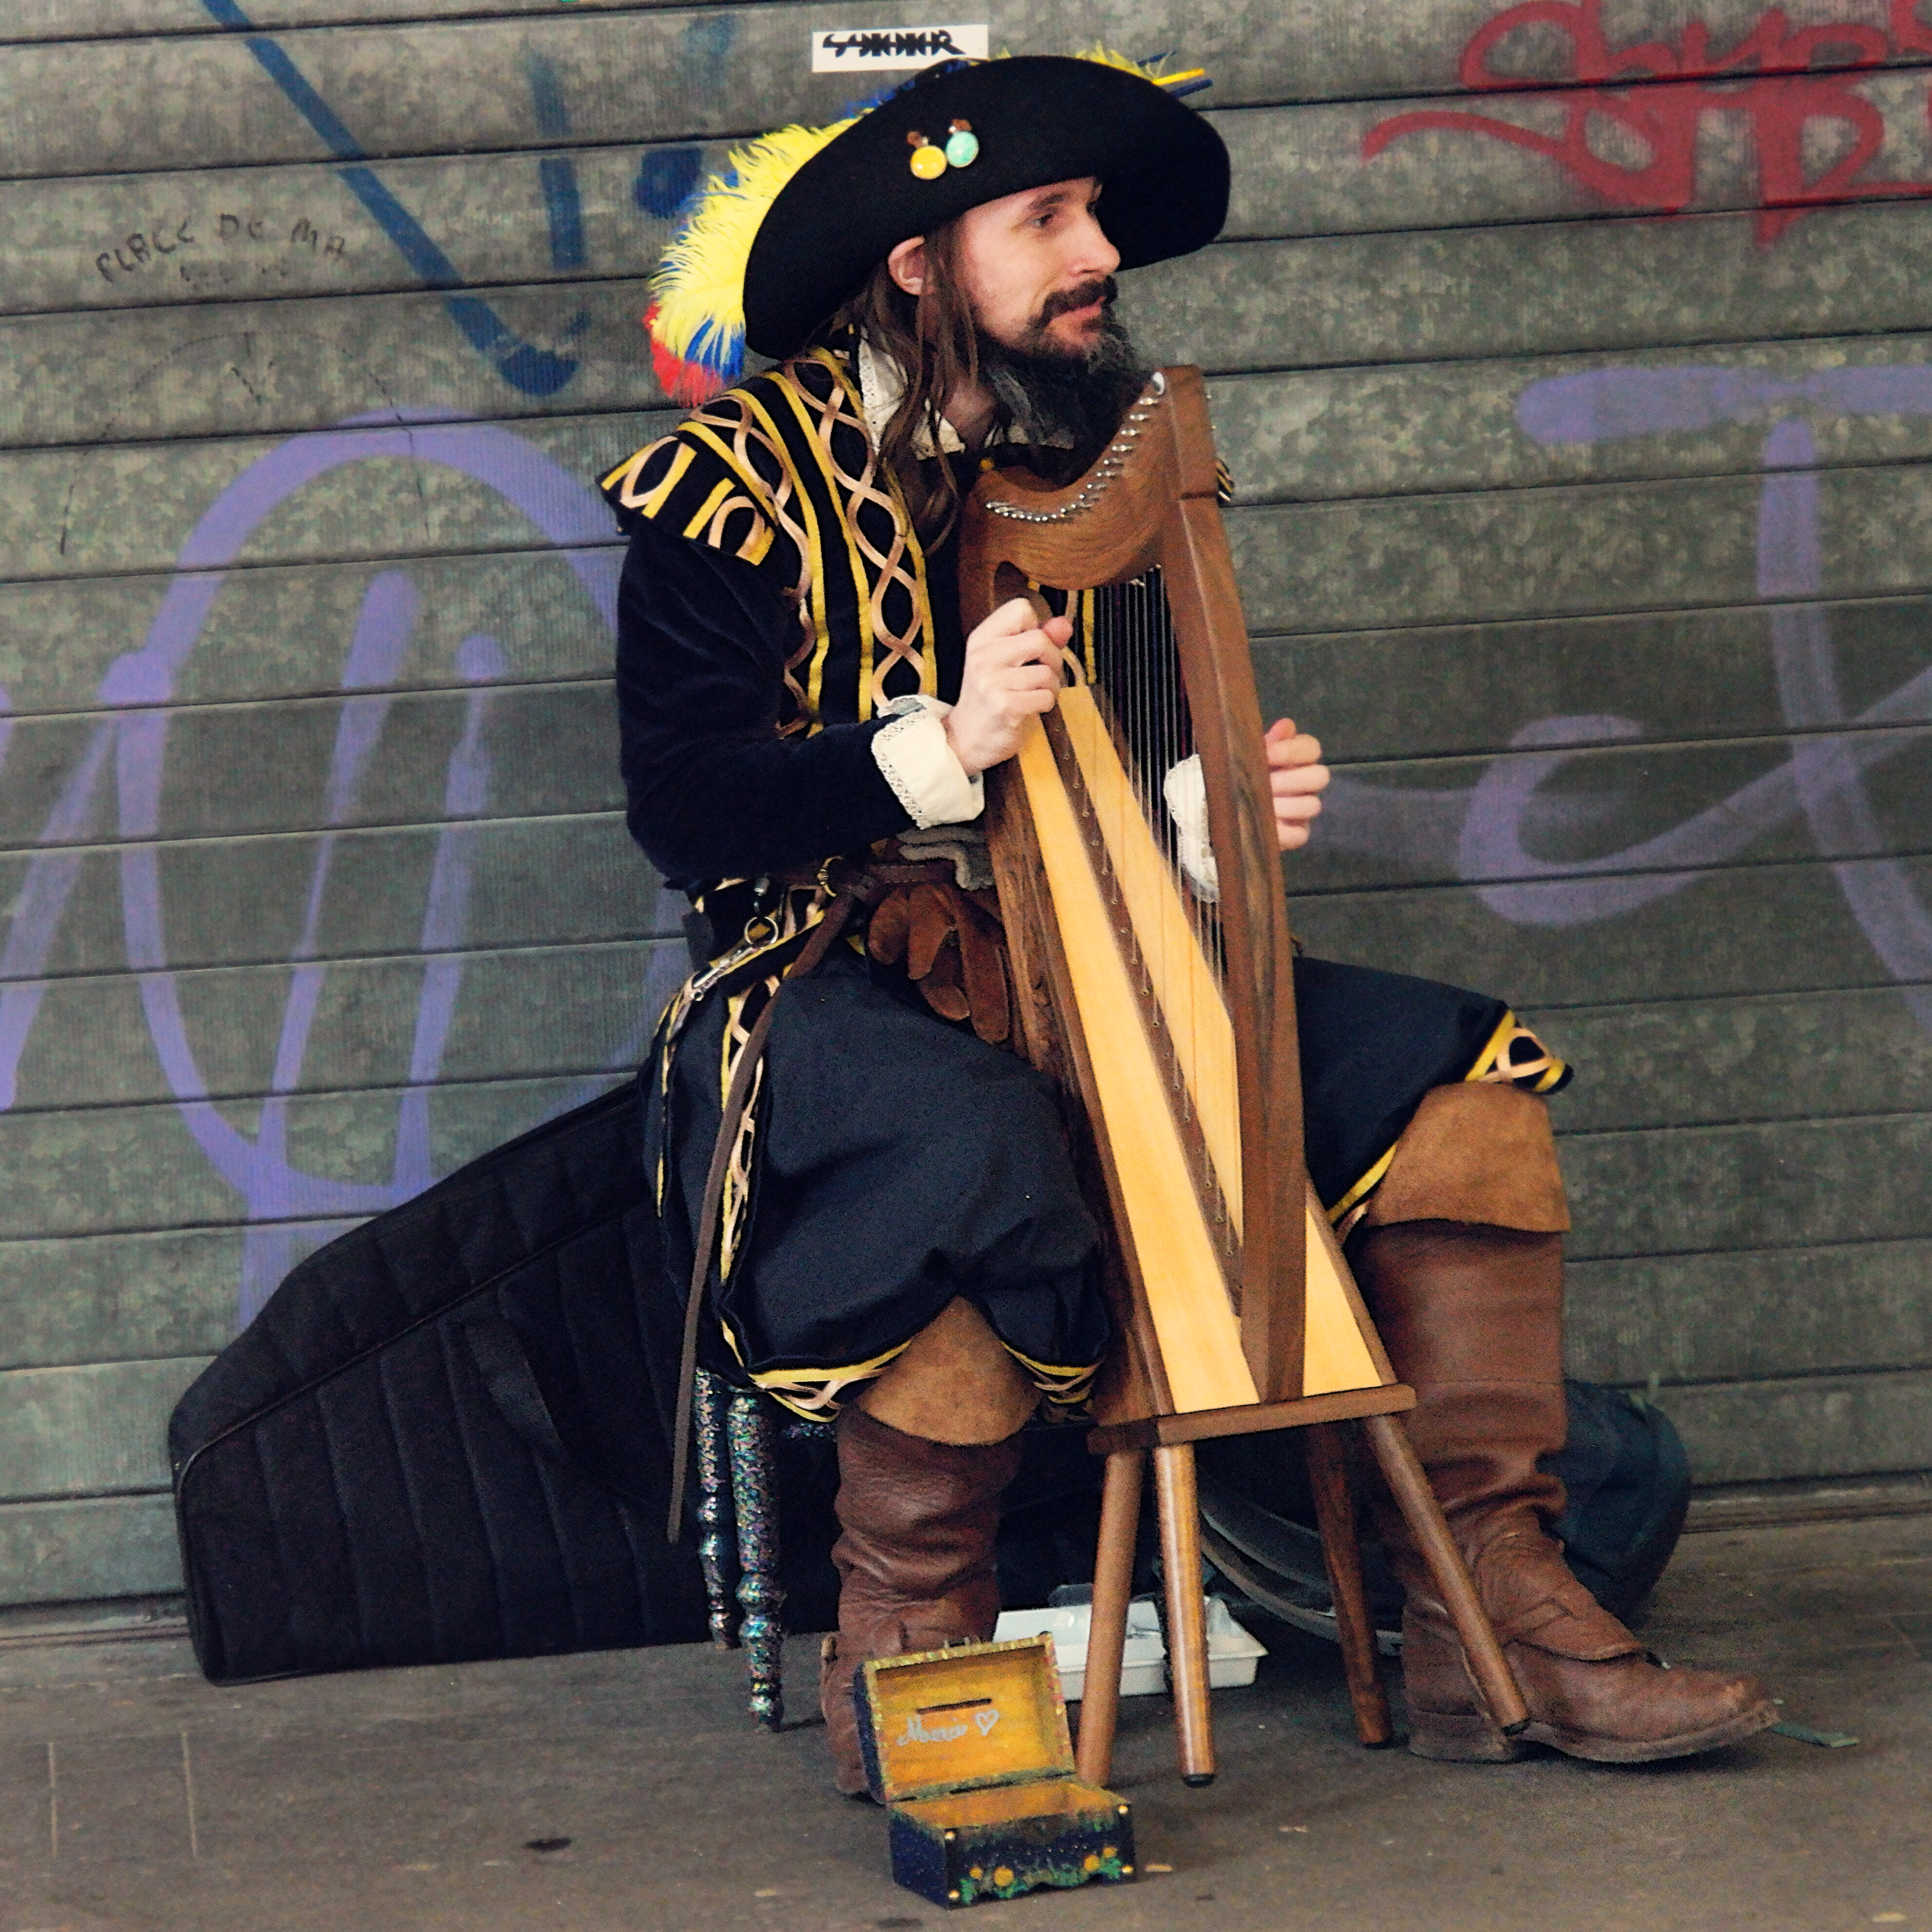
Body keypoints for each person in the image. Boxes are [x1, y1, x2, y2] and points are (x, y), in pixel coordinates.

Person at [601, 52, 1776, 1788]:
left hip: (1097, 964)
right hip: (822, 983)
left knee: (1460, 1088)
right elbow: (682, 811)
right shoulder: (730, 483)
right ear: (920, 264)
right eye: (1046, 220)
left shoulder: (1089, 477)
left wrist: (1212, 833)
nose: (1098, 256)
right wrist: (932, 747)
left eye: (1095, 218)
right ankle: (918, 1664)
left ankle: (1500, 1618)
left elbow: (1137, 793)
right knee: (961, 1144)